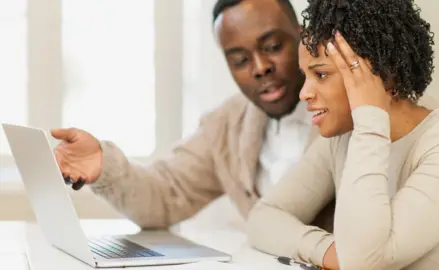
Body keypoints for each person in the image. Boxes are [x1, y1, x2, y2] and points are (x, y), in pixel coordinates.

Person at [50, 0, 336, 230]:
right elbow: (164, 194)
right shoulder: (226, 124)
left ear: (303, 37)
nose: (260, 67)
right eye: (239, 60)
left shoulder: (348, 110)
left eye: (273, 47)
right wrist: (104, 165)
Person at [246, 0, 439, 269]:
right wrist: (328, 251)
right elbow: (264, 217)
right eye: (305, 76)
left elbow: (361, 261)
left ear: (383, 75)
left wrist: (371, 118)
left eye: (321, 75)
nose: (304, 93)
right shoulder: (341, 139)